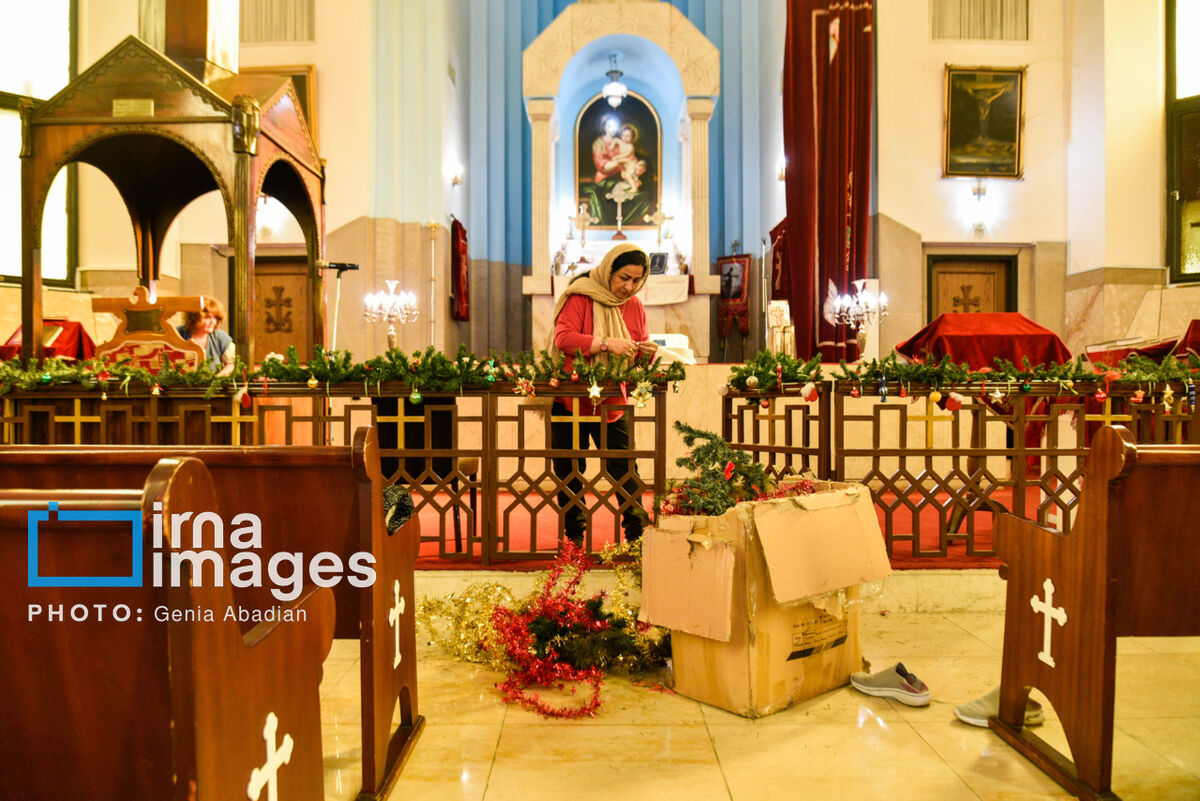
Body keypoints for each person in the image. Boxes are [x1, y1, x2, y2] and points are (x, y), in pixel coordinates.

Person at [547, 242, 658, 546]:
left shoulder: (634, 305)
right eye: (624, 278)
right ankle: (574, 538)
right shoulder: (581, 296)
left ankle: (636, 538)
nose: (629, 287)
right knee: (570, 470)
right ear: (608, 270)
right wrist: (607, 343)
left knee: (625, 469)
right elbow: (564, 338)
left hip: (612, 401)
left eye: (636, 280)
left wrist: (646, 352)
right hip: (572, 399)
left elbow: (635, 354)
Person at [177, 296, 235, 376]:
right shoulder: (178, 334)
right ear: (195, 318)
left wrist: (217, 379)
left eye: (215, 318)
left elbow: (231, 364)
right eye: (208, 317)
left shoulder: (220, 337)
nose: (213, 322)